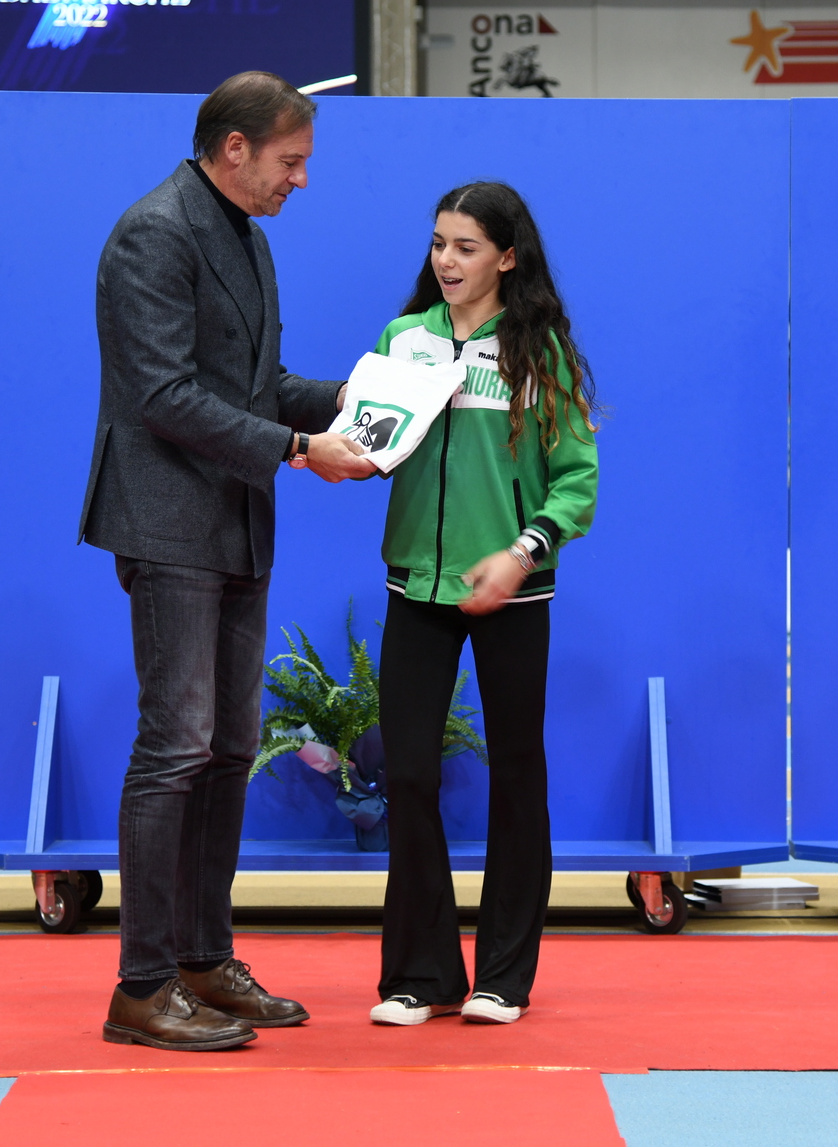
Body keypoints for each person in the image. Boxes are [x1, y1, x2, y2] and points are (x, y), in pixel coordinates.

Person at [79, 71, 375, 1053]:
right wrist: (299, 449)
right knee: (175, 749)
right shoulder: (152, 234)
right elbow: (161, 395)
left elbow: (260, 385)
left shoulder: (245, 234)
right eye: (291, 161)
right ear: (234, 147)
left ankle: (204, 959)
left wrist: (369, 398)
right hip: (168, 524)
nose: (301, 180)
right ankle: (141, 985)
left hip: (235, 523)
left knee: (229, 749)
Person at [364, 181, 600, 1027]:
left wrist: (521, 550)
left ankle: (504, 974)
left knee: (517, 773)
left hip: (514, 591)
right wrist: (339, 451)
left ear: (507, 256)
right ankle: (422, 974)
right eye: (438, 243)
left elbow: (577, 480)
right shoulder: (404, 340)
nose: (447, 260)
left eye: (466, 246)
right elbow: (371, 440)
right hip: (416, 586)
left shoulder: (541, 352)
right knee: (409, 774)